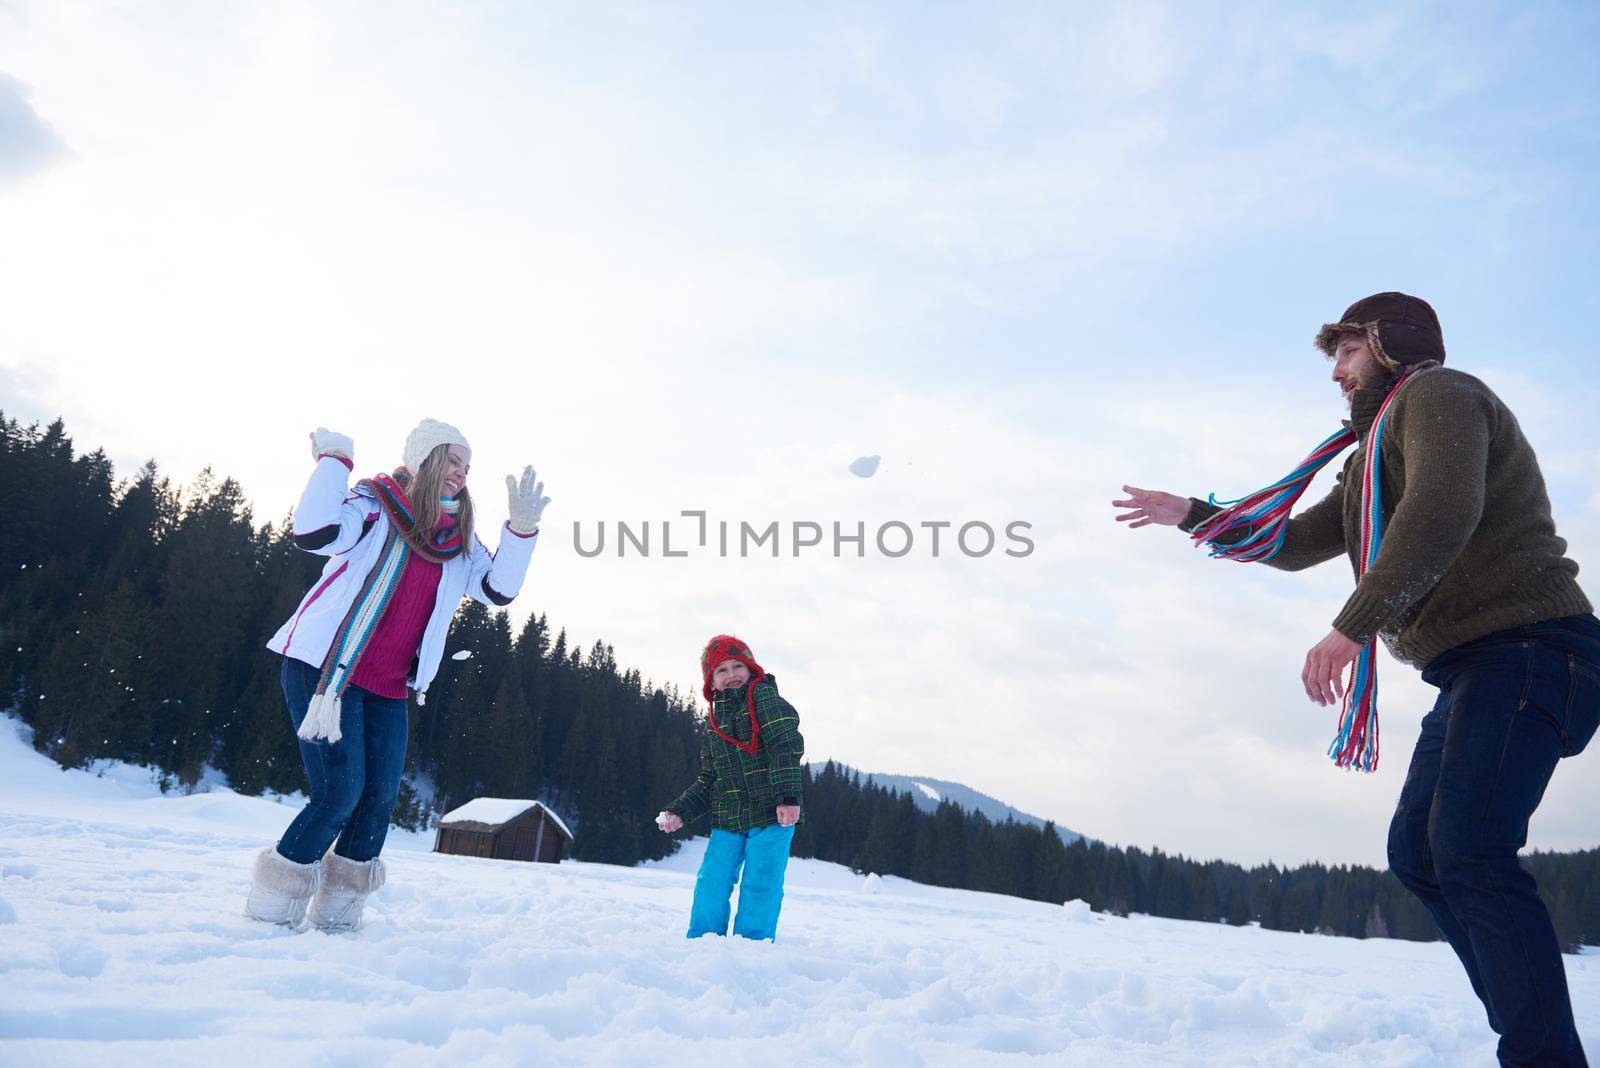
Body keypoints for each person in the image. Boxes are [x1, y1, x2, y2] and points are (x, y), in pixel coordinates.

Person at [1114, 292, 1598, 1067]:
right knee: (1421, 853)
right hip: (1481, 664)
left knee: (1469, 851)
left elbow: (1444, 509)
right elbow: (1303, 540)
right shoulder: (1373, 455)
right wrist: (1196, 515)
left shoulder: (1440, 396)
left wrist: (1353, 625)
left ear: (1390, 344)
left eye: (1345, 352)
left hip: (1534, 648)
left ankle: (1542, 1056)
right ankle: (1540, 1041)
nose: (1336, 373)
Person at [245, 418, 549, 932]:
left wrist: (520, 531)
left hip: (388, 686)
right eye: (453, 460)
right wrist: (335, 463)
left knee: (380, 798)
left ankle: (338, 916)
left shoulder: (457, 540)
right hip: (325, 671)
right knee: (340, 792)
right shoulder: (373, 506)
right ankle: (271, 910)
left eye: (467, 467)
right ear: (425, 458)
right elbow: (313, 532)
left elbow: (497, 590)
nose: (461, 473)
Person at [657, 635, 804, 941]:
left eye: (738, 665)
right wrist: (679, 811)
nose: (732, 674)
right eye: (721, 670)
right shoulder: (714, 721)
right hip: (729, 818)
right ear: (711, 682)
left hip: (772, 816)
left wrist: (788, 797)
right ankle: (703, 941)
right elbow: (709, 778)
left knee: (761, 883)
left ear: (752, 668)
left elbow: (784, 745)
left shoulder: (764, 699)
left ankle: (753, 945)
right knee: (712, 880)